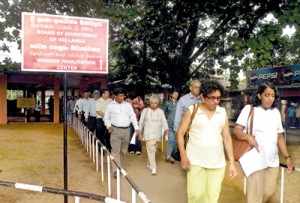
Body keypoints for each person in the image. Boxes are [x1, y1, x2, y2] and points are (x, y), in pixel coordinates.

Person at [176, 80, 237, 203]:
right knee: (195, 195)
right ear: (203, 96)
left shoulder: (222, 112)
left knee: (212, 198)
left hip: (217, 163)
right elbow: (180, 133)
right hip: (195, 162)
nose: (216, 101)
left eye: (218, 98)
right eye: (212, 98)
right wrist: (183, 155)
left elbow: (227, 138)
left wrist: (231, 162)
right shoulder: (192, 110)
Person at [233, 82, 293, 203]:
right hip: (254, 157)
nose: (270, 98)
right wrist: (248, 137)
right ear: (259, 95)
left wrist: (287, 156)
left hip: (272, 160)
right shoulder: (249, 109)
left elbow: (279, 137)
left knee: (268, 191)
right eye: (267, 95)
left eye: (273, 95)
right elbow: (237, 131)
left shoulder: (275, 113)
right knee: (255, 195)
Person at [103, 87, 140, 179]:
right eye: (120, 96)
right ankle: (115, 170)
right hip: (115, 130)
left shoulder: (127, 105)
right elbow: (106, 118)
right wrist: (109, 126)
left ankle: (122, 168)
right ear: (114, 96)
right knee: (115, 151)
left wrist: (136, 127)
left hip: (127, 131)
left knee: (123, 151)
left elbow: (132, 116)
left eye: (123, 95)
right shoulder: (110, 105)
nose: (122, 97)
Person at [139, 95, 169, 175]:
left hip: (157, 134)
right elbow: (141, 122)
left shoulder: (161, 111)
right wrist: (139, 132)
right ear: (149, 103)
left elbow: (164, 121)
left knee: (154, 150)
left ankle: (149, 163)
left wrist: (166, 129)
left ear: (158, 104)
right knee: (151, 150)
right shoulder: (145, 111)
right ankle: (154, 168)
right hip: (148, 133)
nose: (153, 104)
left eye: (155, 103)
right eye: (151, 103)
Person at [126, 88, 145, 155]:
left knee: (137, 134)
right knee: (130, 134)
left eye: (134, 91)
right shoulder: (127, 100)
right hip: (129, 120)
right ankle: (131, 148)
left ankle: (138, 149)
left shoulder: (139, 98)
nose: (133, 93)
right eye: (132, 91)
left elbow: (142, 106)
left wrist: (137, 105)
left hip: (138, 119)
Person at [163, 88, 179, 164]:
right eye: (175, 93)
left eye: (177, 93)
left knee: (175, 142)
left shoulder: (179, 103)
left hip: (178, 125)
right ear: (171, 94)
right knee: (171, 140)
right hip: (169, 125)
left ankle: (171, 156)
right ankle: (169, 156)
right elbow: (163, 114)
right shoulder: (167, 103)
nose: (176, 95)